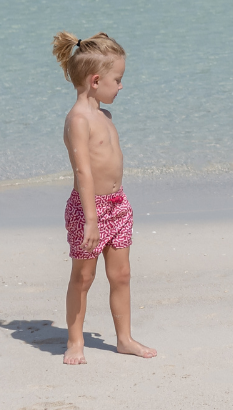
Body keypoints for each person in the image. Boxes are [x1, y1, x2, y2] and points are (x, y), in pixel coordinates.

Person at [51, 31, 156, 364]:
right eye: (118, 79)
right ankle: (75, 341)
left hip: (118, 205)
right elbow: (83, 172)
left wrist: (116, 205)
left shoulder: (105, 117)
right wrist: (91, 219)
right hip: (89, 211)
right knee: (83, 277)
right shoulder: (78, 120)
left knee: (121, 275)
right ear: (96, 81)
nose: (121, 86)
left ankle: (124, 339)